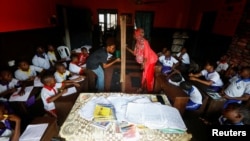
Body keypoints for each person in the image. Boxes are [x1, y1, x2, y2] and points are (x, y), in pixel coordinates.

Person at [126, 28, 158, 93]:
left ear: (137, 34)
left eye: (134, 34)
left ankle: (149, 91)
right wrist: (127, 48)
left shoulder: (145, 42)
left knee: (148, 76)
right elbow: (135, 53)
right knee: (144, 74)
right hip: (145, 61)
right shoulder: (138, 42)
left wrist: (143, 64)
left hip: (150, 60)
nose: (133, 35)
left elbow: (146, 55)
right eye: (141, 32)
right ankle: (142, 87)